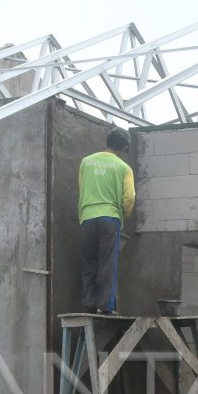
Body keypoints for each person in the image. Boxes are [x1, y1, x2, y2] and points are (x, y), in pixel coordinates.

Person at [78, 127, 136, 315]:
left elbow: (82, 187)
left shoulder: (86, 162)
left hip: (87, 217)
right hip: (109, 218)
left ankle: (88, 302)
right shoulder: (124, 168)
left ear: (107, 141)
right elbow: (129, 198)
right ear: (124, 147)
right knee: (107, 263)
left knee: (89, 261)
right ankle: (104, 307)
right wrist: (124, 214)